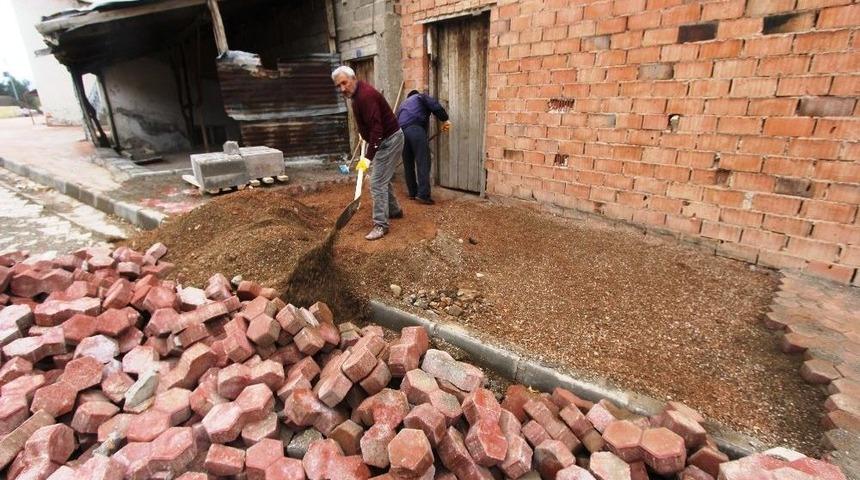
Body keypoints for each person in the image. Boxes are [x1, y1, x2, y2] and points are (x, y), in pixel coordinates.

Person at [331, 66, 404, 241]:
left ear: (353, 78)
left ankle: (381, 225)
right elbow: (370, 126)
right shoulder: (355, 96)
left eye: (344, 83)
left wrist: (367, 159)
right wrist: (364, 135)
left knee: (376, 182)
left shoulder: (365, 96)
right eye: (338, 86)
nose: (342, 88)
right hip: (381, 141)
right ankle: (395, 210)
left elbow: (377, 129)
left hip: (389, 141)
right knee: (381, 177)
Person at [397, 90, 451, 204]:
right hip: (415, 129)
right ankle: (423, 195)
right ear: (415, 94)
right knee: (423, 161)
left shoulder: (403, 105)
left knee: (408, 164)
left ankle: (413, 192)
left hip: (401, 134)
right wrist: (445, 118)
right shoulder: (420, 97)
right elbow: (434, 105)